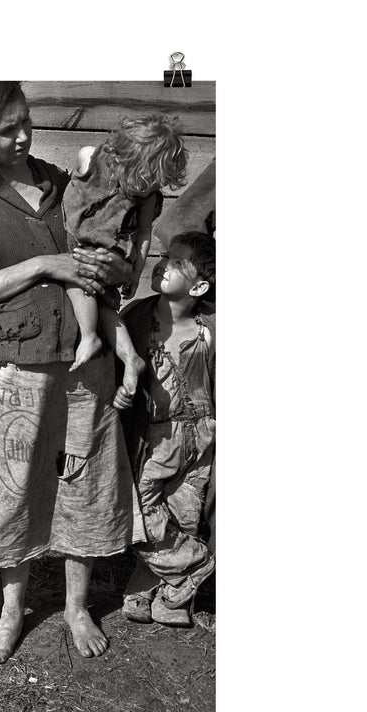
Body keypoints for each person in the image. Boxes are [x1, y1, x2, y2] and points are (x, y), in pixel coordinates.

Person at [0, 81, 145, 663]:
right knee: (11, 490)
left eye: (26, 123)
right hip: (13, 364)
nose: (21, 137)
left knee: (87, 483)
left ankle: (75, 606)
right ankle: (10, 611)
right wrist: (47, 262)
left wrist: (112, 262)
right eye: (5, 129)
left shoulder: (59, 183)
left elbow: (113, 259)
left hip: (83, 359)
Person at [118, 232, 216, 627]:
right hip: (154, 438)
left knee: (184, 512)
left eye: (177, 262)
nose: (163, 263)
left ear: (199, 287)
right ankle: (200, 565)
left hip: (202, 434)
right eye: (164, 255)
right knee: (137, 513)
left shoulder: (212, 326)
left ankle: (167, 597)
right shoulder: (135, 319)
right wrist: (119, 396)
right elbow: (115, 371)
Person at [61, 115, 188, 370]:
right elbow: (73, 188)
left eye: (155, 184)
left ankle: (89, 338)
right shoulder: (90, 157)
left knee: (79, 281)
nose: (149, 188)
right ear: (126, 159)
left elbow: (142, 234)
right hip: (74, 235)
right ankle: (131, 358)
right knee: (104, 302)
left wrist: (135, 273)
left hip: (104, 246)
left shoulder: (148, 196)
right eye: (147, 180)